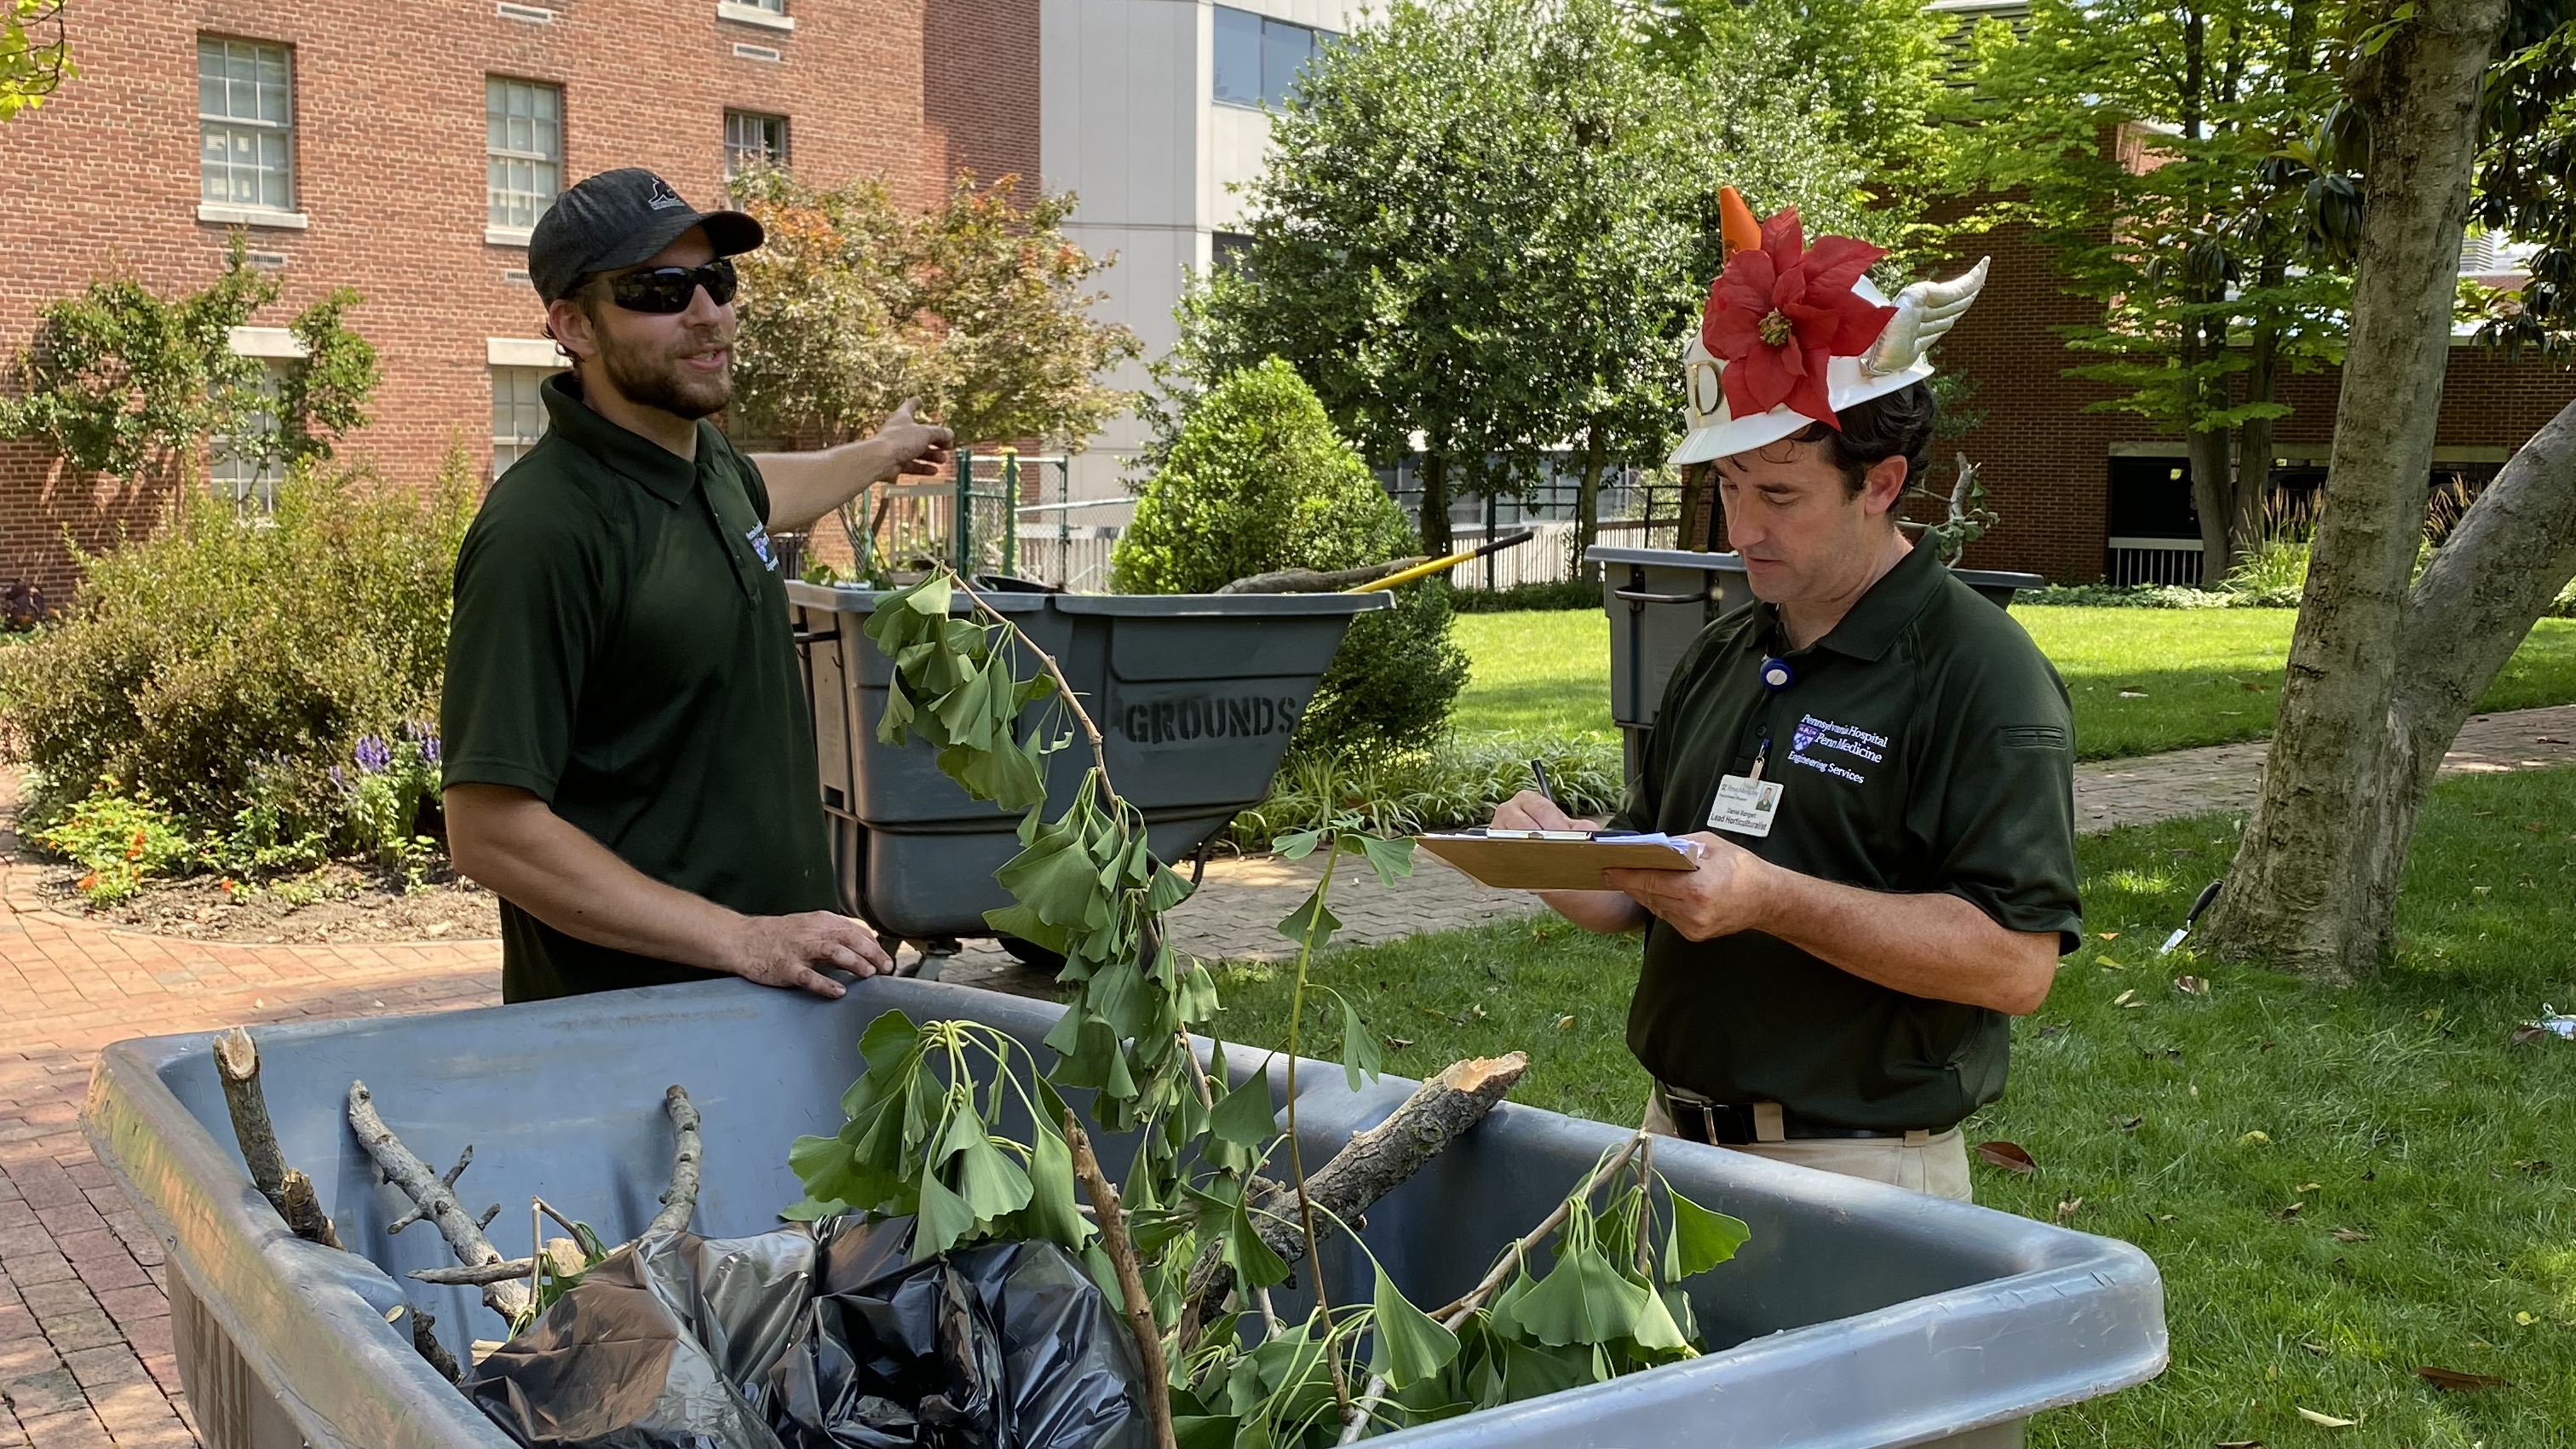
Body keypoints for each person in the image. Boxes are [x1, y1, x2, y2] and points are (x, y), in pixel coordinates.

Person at [1495, 193, 2078, 1201]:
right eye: (1729, 488)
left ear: (1883, 482)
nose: (1742, 528)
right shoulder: (1723, 653)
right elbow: (1646, 888)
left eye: (1780, 495)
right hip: (1670, 1146)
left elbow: (2015, 966)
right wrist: (1552, 851)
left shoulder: (1980, 672)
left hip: (1861, 1171)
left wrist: (1774, 899)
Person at [440, 168, 954, 1004]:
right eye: (658, 288)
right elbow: (489, 831)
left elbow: (764, 487)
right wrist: (742, 940)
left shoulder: (700, 459)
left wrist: (880, 453)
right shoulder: (544, 530)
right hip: (636, 1026)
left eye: (717, 280)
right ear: (574, 324)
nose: (707, 311)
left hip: (774, 994)